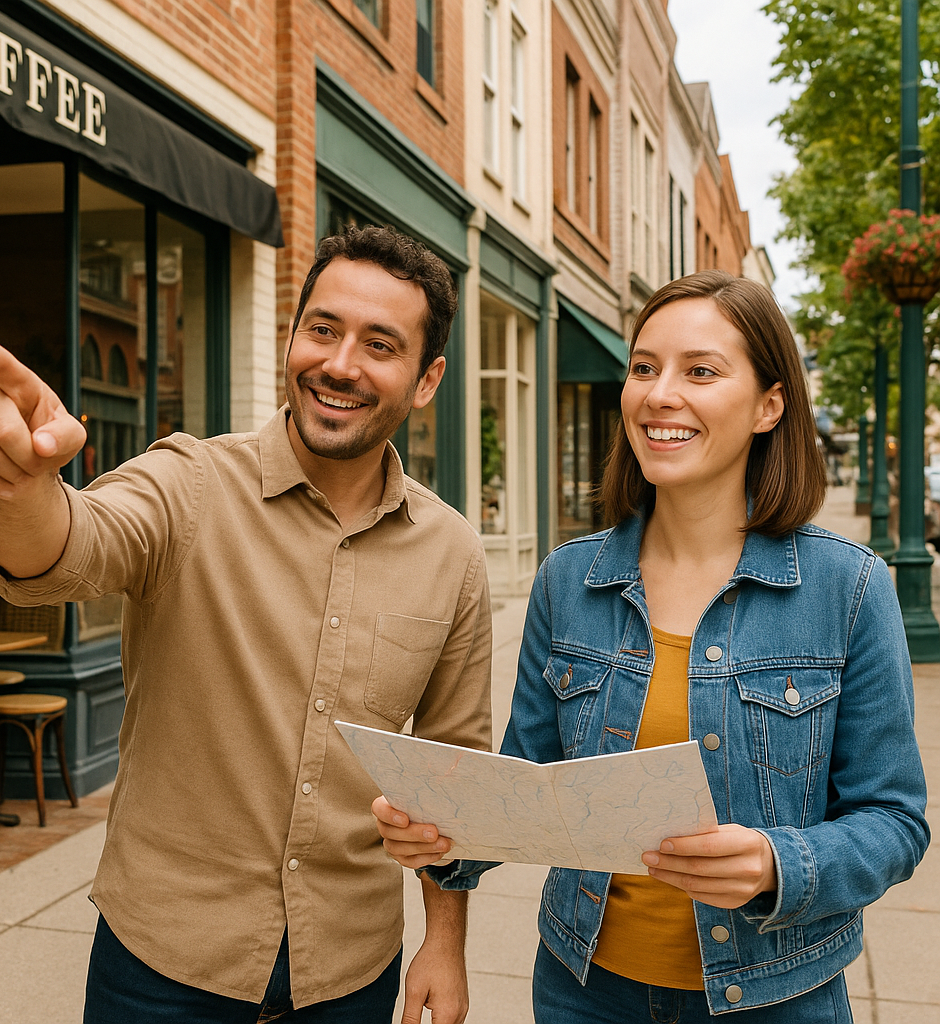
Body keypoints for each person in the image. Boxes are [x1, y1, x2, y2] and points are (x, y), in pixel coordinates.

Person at [0, 225, 492, 1024]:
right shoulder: (189, 483)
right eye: (323, 330)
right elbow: (68, 548)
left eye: (380, 344)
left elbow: (453, 775)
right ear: (292, 336)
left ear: (425, 379)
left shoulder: (452, 553)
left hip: (349, 973)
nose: (340, 364)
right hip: (161, 967)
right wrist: (19, 489)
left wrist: (444, 943)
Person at [374, 270, 929, 1022]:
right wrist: (446, 835)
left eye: (700, 370)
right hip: (582, 991)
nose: (659, 393)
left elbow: (893, 820)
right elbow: (530, 786)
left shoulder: (848, 587)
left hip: (775, 998)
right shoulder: (569, 580)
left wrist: (778, 863)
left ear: (770, 404)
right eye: (644, 368)